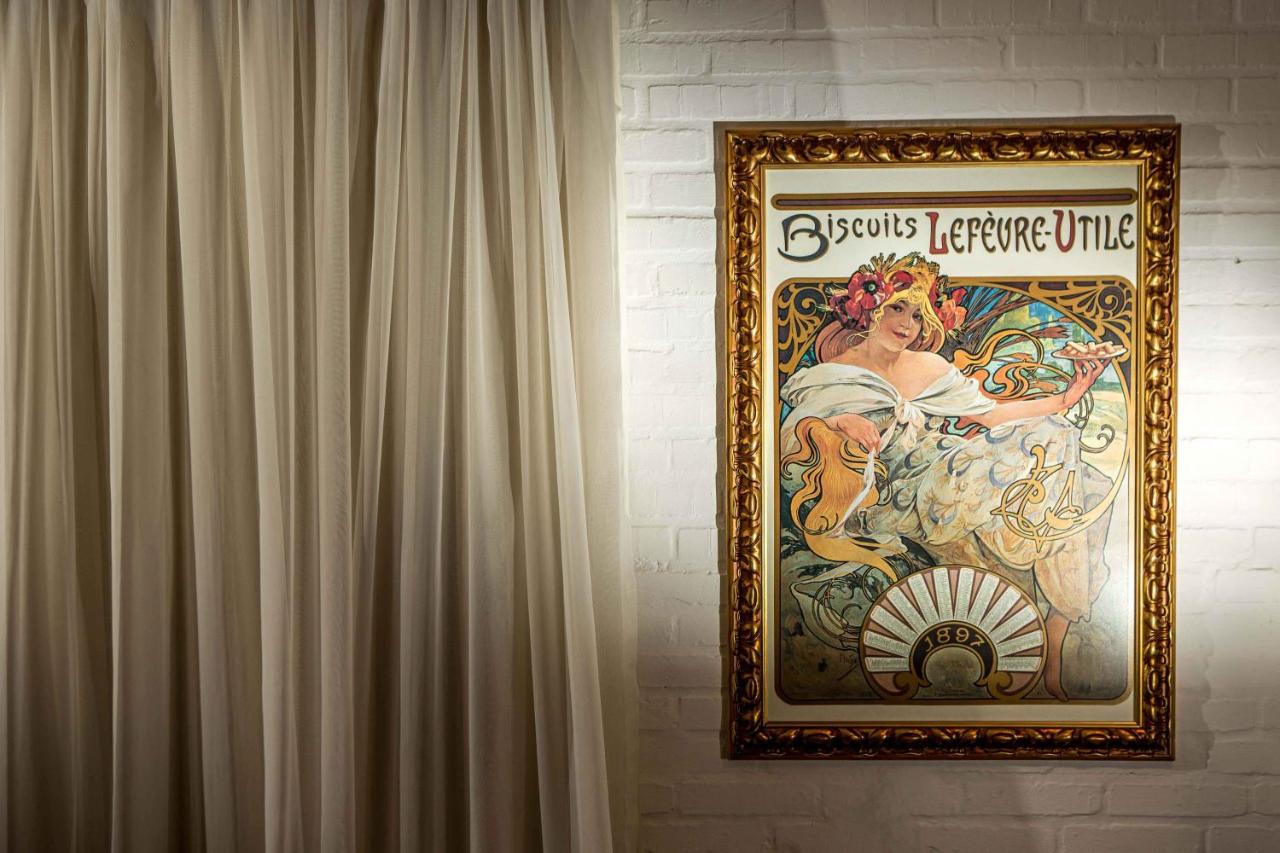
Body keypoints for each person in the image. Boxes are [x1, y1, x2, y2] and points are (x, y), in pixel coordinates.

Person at [779, 253, 1113, 701]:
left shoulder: (927, 367)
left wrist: (1066, 398)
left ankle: (1056, 627)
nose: (907, 324)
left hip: (943, 463)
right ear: (870, 308)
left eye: (918, 315)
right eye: (897, 308)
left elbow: (991, 414)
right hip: (896, 493)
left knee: (1085, 480)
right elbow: (790, 437)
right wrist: (841, 422)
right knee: (1055, 454)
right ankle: (1029, 540)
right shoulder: (831, 376)